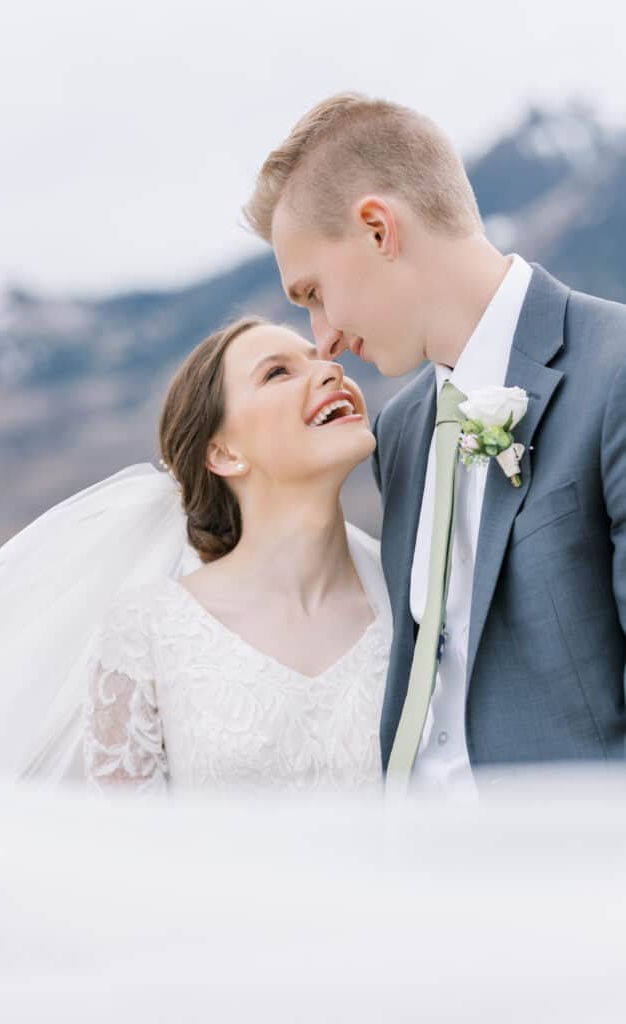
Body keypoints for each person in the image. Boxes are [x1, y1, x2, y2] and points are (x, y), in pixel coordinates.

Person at [245, 92, 626, 799]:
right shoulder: (400, 431)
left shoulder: (615, 370)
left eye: (314, 291)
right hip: (419, 879)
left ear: (376, 229)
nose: (320, 336)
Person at [0, 316, 392, 794]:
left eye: (320, 360)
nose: (331, 372)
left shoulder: (411, 596)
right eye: (277, 373)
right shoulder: (146, 635)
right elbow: (130, 851)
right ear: (222, 454)